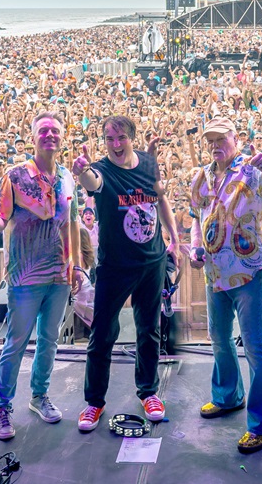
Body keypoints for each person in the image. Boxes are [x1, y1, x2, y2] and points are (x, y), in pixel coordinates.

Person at [72, 115, 180, 432]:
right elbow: (92, 182)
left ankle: (149, 392)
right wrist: (82, 172)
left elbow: (160, 199)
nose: (116, 145)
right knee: (103, 332)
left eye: (121, 138)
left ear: (132, 138)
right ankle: (95, 401)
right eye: (109, 139)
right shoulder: (101, 169)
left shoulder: (147, 163)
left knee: (149, 330)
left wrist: (174, 238)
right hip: (115, 266)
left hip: (151, 262)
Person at [0, 112, 80, 440]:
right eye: (43, 130)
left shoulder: (67, 178)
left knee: (49, 341)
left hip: (59, 274)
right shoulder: (15, 176)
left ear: (62, 136)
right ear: (33, 136)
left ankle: (40, 396)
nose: (50, 135)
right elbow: (1, 217)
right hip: (25, 276)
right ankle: (2, 406)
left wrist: (76, 265)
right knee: (17, 342)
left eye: (55, 130)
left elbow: (71, 224)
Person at [188, 117, 262, 454]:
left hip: (248, 271)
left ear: (236, 138)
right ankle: (228, 396)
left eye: (221, 139)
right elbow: (196, 218)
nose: (215, 145)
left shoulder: (252, 170)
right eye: (210, 140)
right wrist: (195, 247)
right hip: (214, 273)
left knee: (254, 345)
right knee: (219, 338)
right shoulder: (201, 176)